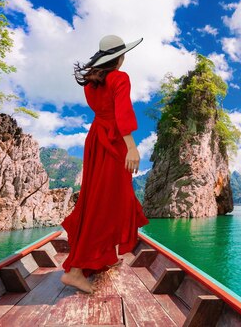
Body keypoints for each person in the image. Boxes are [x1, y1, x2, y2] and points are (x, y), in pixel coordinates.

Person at [60, 34, 149, 293]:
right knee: (107, 204)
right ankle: (76, 271)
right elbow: (122, 112)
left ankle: (103, 258)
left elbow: (105, 112)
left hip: (96, 140)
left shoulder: (92, 83)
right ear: (118, 58)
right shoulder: (120, 78)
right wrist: (131, 146)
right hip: (113, 143)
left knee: (97, 200)